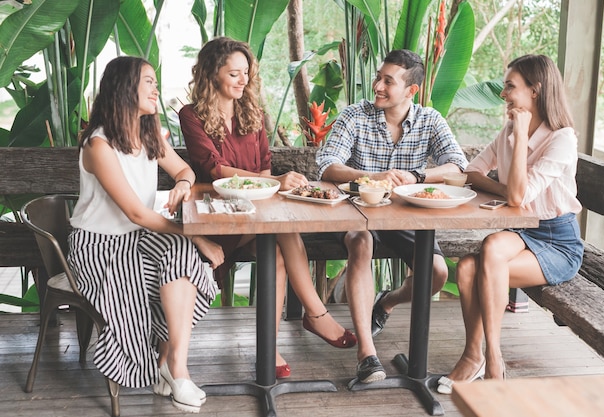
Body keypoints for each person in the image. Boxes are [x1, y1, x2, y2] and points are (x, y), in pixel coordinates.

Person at [179, 36, 357, 379]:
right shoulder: (192, 115)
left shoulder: (253, 113)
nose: (243, 80)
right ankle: (316, 314)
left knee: (277, 248)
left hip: (256, 212)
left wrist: (272, 180)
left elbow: (262, 168)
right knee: (281, 234)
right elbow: (213, 168)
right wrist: (273, 182)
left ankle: (271, 347)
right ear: (212, 75)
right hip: (218, 218)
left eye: (246, 72)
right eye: (234, 74)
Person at [67, 56, 226, 413]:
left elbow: (183, 169)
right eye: (149, 82)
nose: (156, 89)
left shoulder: (149, 133)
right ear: (125, 88)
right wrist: (197, 236)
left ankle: (175, 366)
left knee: (181, 256)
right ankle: (167, 368)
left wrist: (184, 185)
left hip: (138, 236)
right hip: (99, 245)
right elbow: (136, 212)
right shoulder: (99, 145)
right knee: (186, 248)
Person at [316, 49, 468, 382]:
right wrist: (367, 176)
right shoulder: (355, 115)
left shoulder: (430, 120)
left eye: (388, 81)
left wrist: (417, 176)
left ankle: (386, 303)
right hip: (357, 213)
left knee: (438, 273)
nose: (378, 86)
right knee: (361, 244)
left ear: (411, 90)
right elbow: (327, 164)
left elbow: (458, 165)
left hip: (406, 217)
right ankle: (367, 354)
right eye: (378, 77)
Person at [436, 54, 584, 394]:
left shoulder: (562, 139)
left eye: (510, 87)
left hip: (557, 240)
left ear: (536, 90)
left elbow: (518, 197)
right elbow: (471, 172)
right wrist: (502, 185)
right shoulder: (506, 131)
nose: (503, 94)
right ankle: (474, 357)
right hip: (522, 231)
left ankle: (493, 360)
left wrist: (519, 133)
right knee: (470, 268)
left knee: (485, 254)